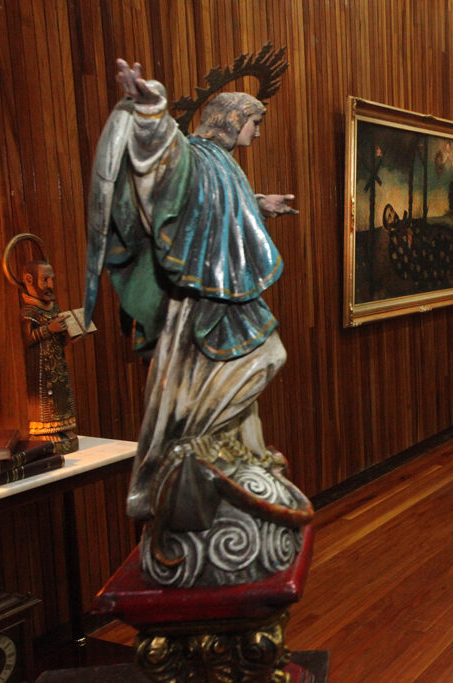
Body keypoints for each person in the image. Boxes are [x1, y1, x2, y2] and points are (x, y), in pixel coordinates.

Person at [84, 59, 312, 587]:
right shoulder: (192, 153)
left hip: (225, 290)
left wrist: (260, 204)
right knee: (265, 356)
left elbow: (219, 209)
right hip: (205, 297)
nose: (257, 134)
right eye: (254, 122)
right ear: (231, 119)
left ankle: (225, 445)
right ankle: (196, 441)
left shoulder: (222, 163)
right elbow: (161, 163)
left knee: (261, 363)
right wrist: (150, 110)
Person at [18, 259, 78, 453]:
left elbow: (59, 338)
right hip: (41, 369)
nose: (50, 285)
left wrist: (70, 334)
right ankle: (46, 431)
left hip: (58, 363)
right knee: (46, 398)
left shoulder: (53, 308)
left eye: (51, 279)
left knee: (62, 394)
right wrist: (49, 329)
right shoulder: (29, 312)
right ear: (29, 280)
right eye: (45, 280)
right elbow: (28, 338)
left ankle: (63, 428)